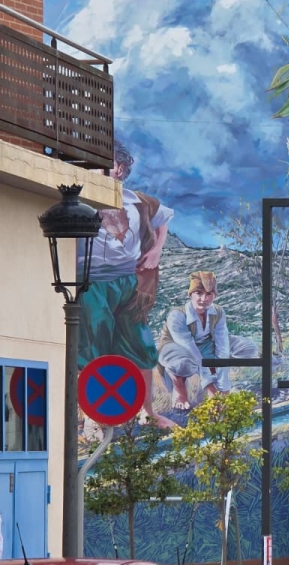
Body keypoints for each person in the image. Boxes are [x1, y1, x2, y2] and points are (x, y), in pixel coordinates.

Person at [78, 140, 174, 428]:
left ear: (118, 169)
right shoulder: (79, 199)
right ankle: (90, 418)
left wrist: (156, 250)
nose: (96, 170)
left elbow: (163, 219)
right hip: (92, 282)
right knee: (93, 345)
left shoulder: (138, 201)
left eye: (103, 163)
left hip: (128, 281)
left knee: (141, 345)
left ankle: (148, 411)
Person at [155, 271, 259, 409]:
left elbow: (223, 346)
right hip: (174, 348)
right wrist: (211, 389)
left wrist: (224, 388)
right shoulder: (177, 316)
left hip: (204, 346)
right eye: (199, 293)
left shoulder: (218, 312)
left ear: (214, 295)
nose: (204, 299)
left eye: (209, 294)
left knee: (249, 348)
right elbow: (190, 349)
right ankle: (180, 390)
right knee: (184, 363)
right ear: (191, 294)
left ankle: (215, 375)